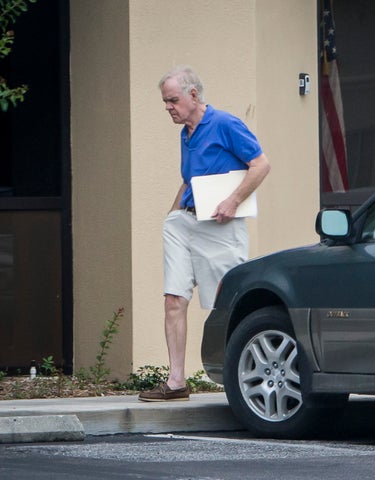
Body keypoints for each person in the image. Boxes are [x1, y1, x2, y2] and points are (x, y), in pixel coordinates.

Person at [139, 66, 270, 402]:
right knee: (173, 299)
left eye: (172, 100)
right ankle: (176, 382)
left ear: (193, 95)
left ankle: (241, 379)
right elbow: (189, 180)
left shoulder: (224, 123)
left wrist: (233, 200)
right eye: (165, 101)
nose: (168, 106)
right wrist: (172, 215)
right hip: (185, 222)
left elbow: (261, 164)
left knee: (226, 304)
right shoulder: (186, 133)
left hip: (220, 226)